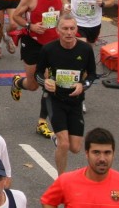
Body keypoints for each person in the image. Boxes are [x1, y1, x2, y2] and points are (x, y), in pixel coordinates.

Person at [36, 13, 98, 175]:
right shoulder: (48, 49)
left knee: (75, 148)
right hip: (55, 100)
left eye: (72, 28)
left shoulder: (85, 50)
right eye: (65, 29)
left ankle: (58, 138)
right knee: (64, 144)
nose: (69, 32)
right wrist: (45, 82)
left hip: (75, 101)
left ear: (77, 29)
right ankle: (61, 179)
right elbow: (38, 74)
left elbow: (92, 74)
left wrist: (83, 85)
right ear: (58, 31)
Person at [10, 0, 65, 141]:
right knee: (33, 85)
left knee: (49, 82)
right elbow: (16, 16)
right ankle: (18, 83)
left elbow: (62, 18)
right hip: (32, 43)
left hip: (52, 45)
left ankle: (42, 122)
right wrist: (30, 26)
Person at [41, 127, 119, 208]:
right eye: (96, 152)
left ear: (113, 154)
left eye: (107, 153)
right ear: (87, 153)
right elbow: (48, 202)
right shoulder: (66, 181)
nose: (102, 158)